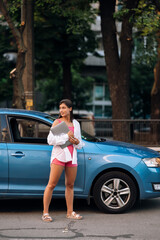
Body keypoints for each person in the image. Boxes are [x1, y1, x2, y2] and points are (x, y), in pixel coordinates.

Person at [42, 99, 84, 222]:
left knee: (70, 185)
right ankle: (45, 213)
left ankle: (70, 212)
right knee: (52, 184)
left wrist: (76, 142)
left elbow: (79, 143)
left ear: (70, 109)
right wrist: (67, 136)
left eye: (64, 107)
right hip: (59, 156)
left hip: (72, 157)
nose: (61, 110)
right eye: (60, 108)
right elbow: (50, 140)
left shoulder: (76, 123)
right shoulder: (57, 122)